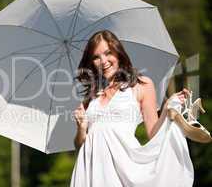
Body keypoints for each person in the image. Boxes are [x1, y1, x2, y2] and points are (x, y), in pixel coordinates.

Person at [70, 30, 194, 186]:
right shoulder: (90, 98)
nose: (103, 61)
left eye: (108, 53)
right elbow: (79, 145)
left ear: (118, 53)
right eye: (96, 57)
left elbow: (153, 133)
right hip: (90, 172)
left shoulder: (141, 85)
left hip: (124, 168)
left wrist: (167, 108)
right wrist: (81, 128)